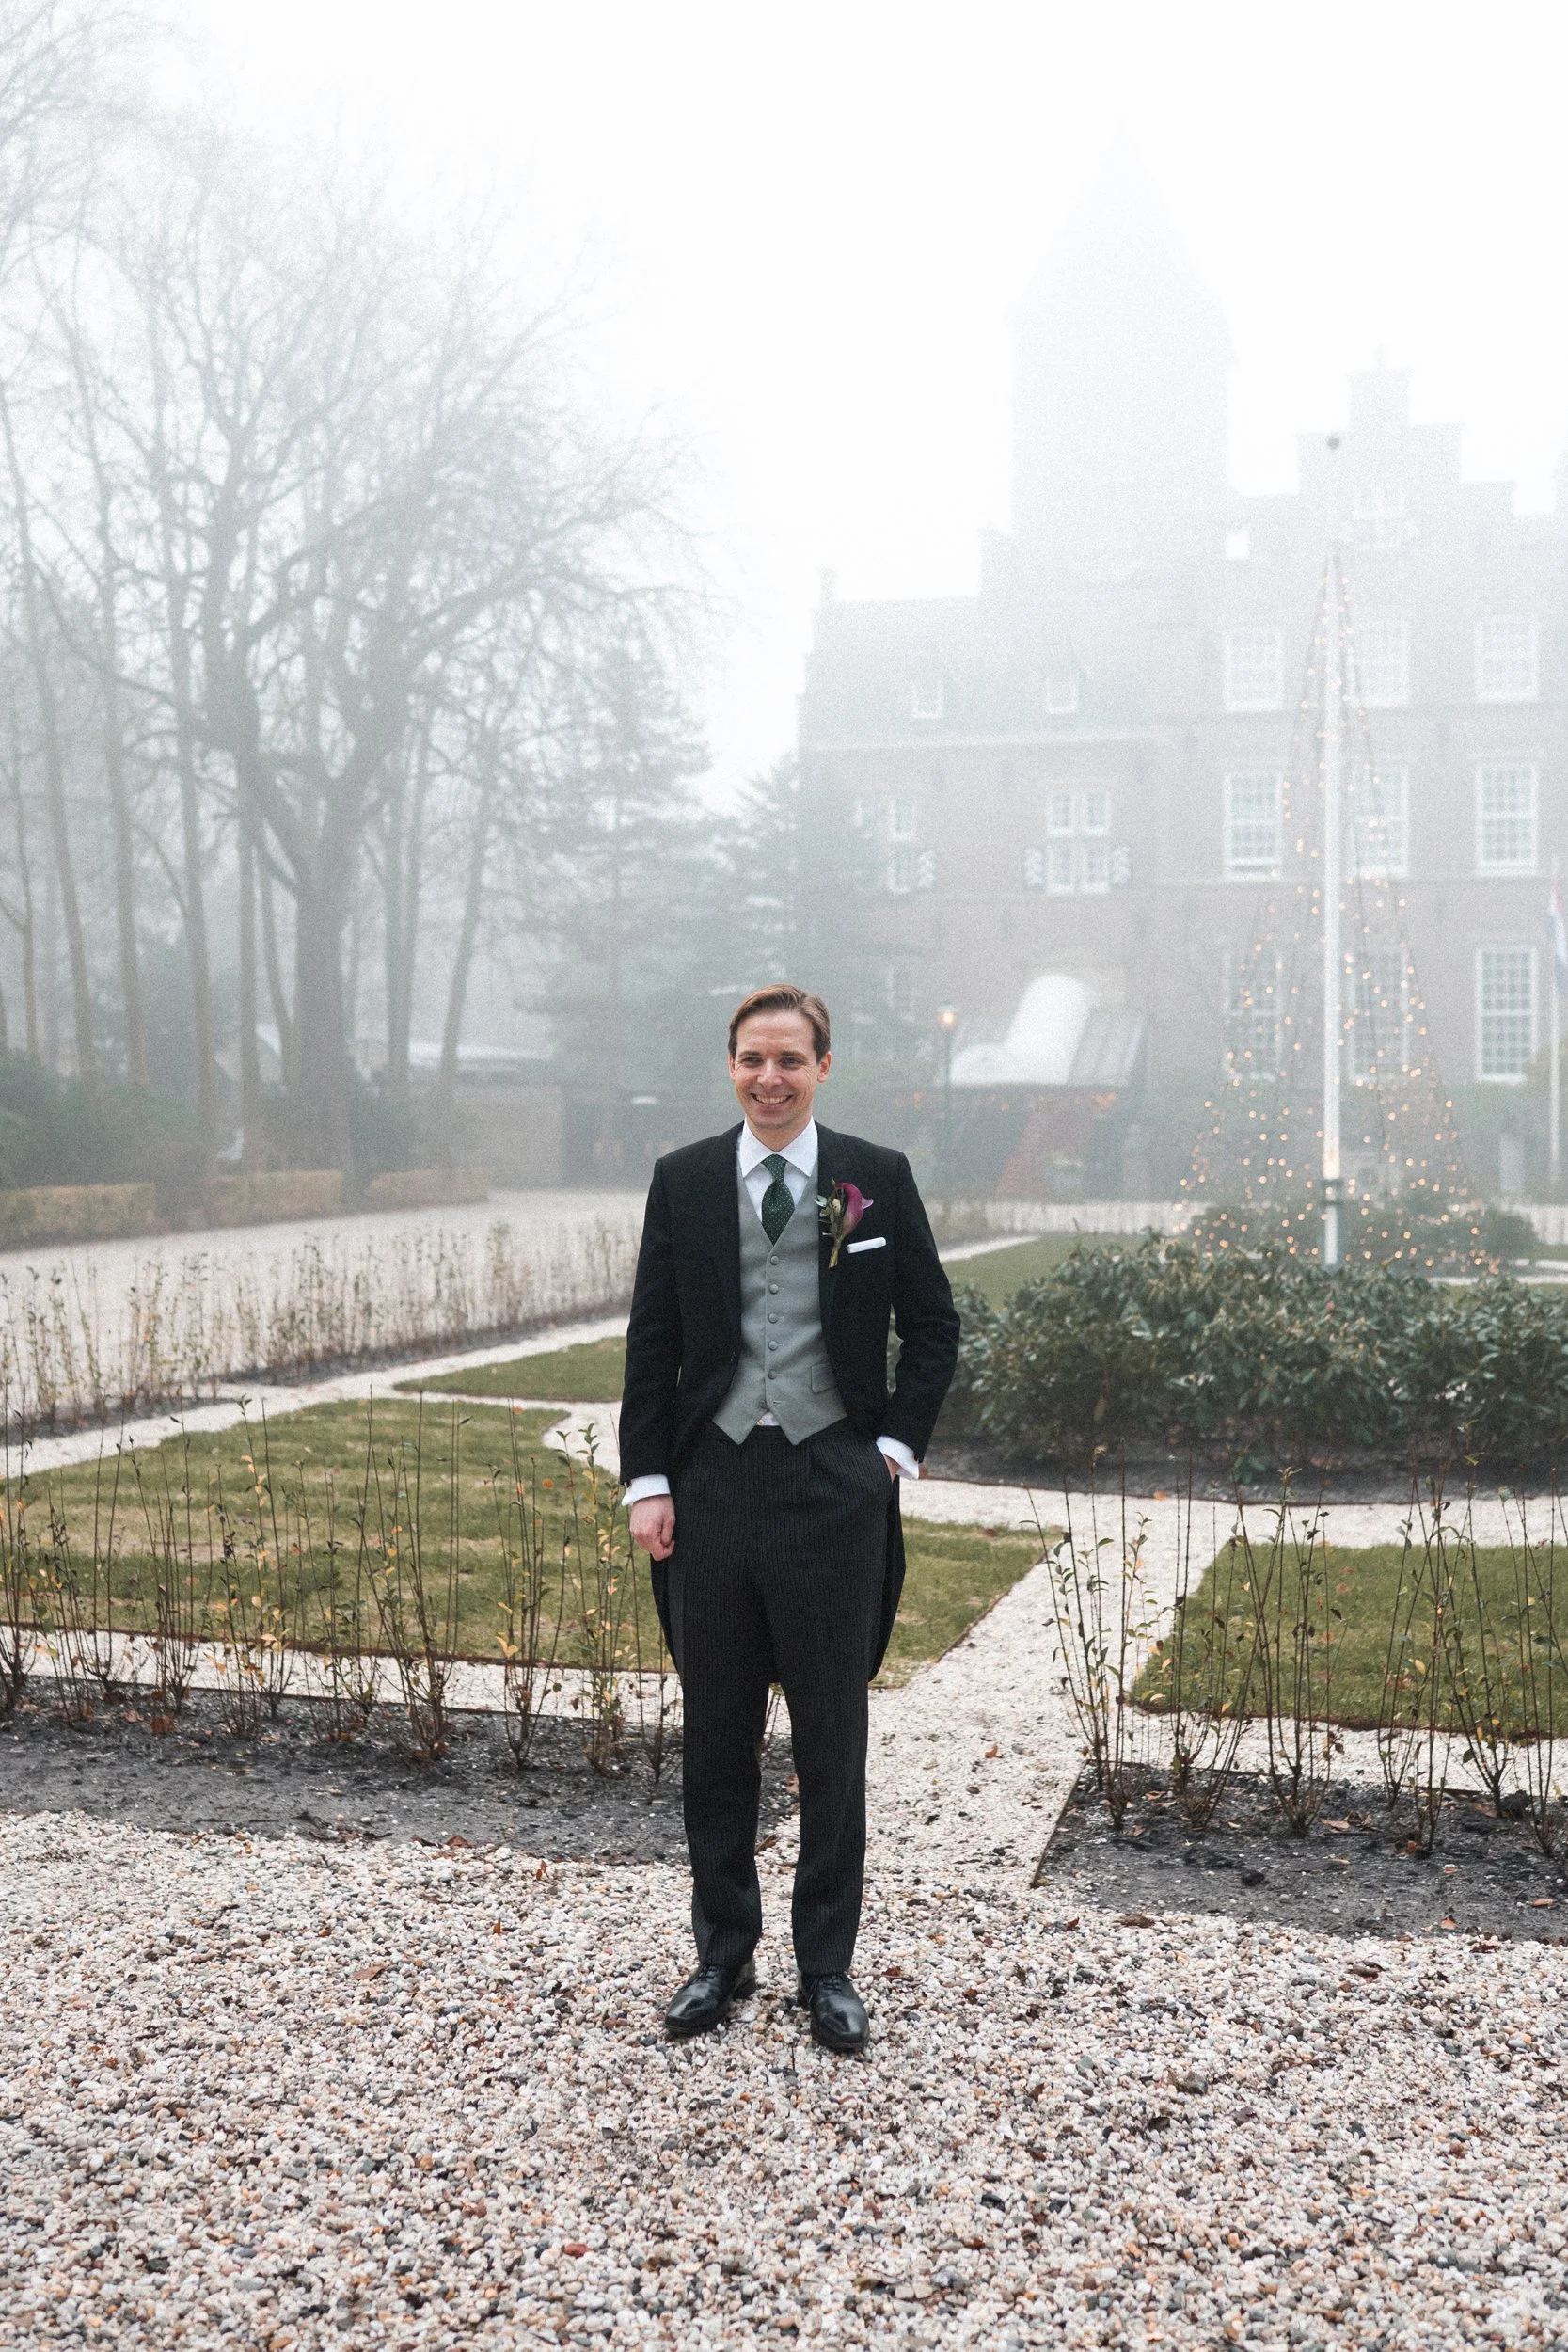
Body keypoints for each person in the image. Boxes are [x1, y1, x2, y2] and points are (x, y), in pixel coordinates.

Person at [619, 983, 960, 2051]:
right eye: (750, 1060)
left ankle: (828, 1969)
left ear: (822, 1066)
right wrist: (648, 1481)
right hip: (712, 1486)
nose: (769, 1078)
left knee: (830, 1738)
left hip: (831, 1489)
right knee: (715, 1737)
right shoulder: (681, 1182)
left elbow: (934, 1325)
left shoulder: (872, 1179)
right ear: (730, 1065)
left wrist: (891, 1451)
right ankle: (720, 1955)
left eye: (788, 1061)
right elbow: (652, 1339)